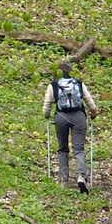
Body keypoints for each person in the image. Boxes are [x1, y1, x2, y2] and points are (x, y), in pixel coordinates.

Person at [43, 61, 98, 192]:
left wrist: (46, 115)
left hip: (61, 117)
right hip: (78, 116)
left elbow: (47, 105)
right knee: (78, 149)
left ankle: (63, 179)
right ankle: (81, 176)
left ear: (60, 72)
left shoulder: (53, 85)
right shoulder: (78, 84)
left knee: (62, 149)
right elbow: (89, 101)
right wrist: (93, 112)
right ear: (71, 71)